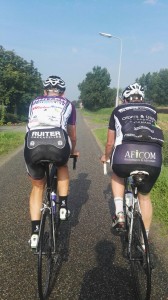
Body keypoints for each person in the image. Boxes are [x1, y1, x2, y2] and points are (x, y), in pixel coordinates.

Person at [101, 82, 164, 239]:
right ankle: (144, 242)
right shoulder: (152, 110)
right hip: (153, 157)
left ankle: (120, 214)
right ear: (142, 98)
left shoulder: (118, 110)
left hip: (125, 155)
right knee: (145, 197)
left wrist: (106, 157)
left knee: (117, 172)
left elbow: (110, 143)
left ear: (125, 99)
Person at [24, 75, 79, 249]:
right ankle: (62, 205)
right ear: (62, 93)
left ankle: (35, 233)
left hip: (33, 144)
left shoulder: (33, 103)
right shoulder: (68, 104)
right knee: (62, 164)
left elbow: (31, 125)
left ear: (44, 91)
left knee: (37, 187)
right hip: (58, 143)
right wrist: (72, 151)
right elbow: (72, 133)